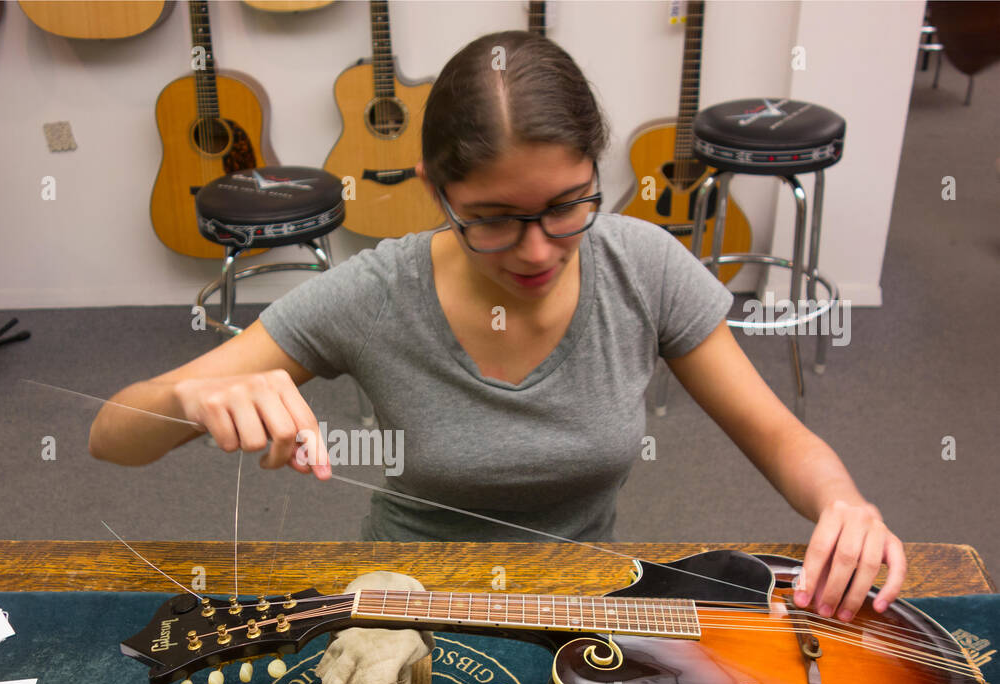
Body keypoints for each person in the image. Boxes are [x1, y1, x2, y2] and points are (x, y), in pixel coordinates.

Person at [90, 30, 905, 623]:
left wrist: (845, 503)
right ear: (435, 191)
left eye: (567, 206)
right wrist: (192, 399)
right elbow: (108, 436)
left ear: (598, 167)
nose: (537, 248)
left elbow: (776, 432)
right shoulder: (375, 292)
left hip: (584, 611)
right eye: (493, 219)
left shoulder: (644, 265)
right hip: (407, 606)